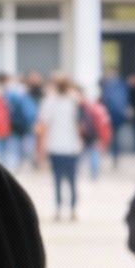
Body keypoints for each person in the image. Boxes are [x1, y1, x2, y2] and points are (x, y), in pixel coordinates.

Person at [36, 76, 84, 220]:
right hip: (72, 146)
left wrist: (41, 148)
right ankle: (73, 209)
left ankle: (58, 209)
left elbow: (43, 126)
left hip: (54, 146)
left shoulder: (48, 102)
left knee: (57, 179)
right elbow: (80, 124)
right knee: (72, 179)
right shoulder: (75, 102)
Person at [7, 77, 40, 169]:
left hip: (14, 125)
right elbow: (30, 114)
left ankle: (13, 166)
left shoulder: (10, 94)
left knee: (14, 149)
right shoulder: (26, 97)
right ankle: (26, 165)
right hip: (26, 127)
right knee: (27, 148)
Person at [100, 67, 132, 157]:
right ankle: (115, 152)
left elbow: (106, 99)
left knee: (114, 133)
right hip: (117, 112)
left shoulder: (109, 85)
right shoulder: (121, 84)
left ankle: (114, 151)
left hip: (113, 112)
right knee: (115, 134)